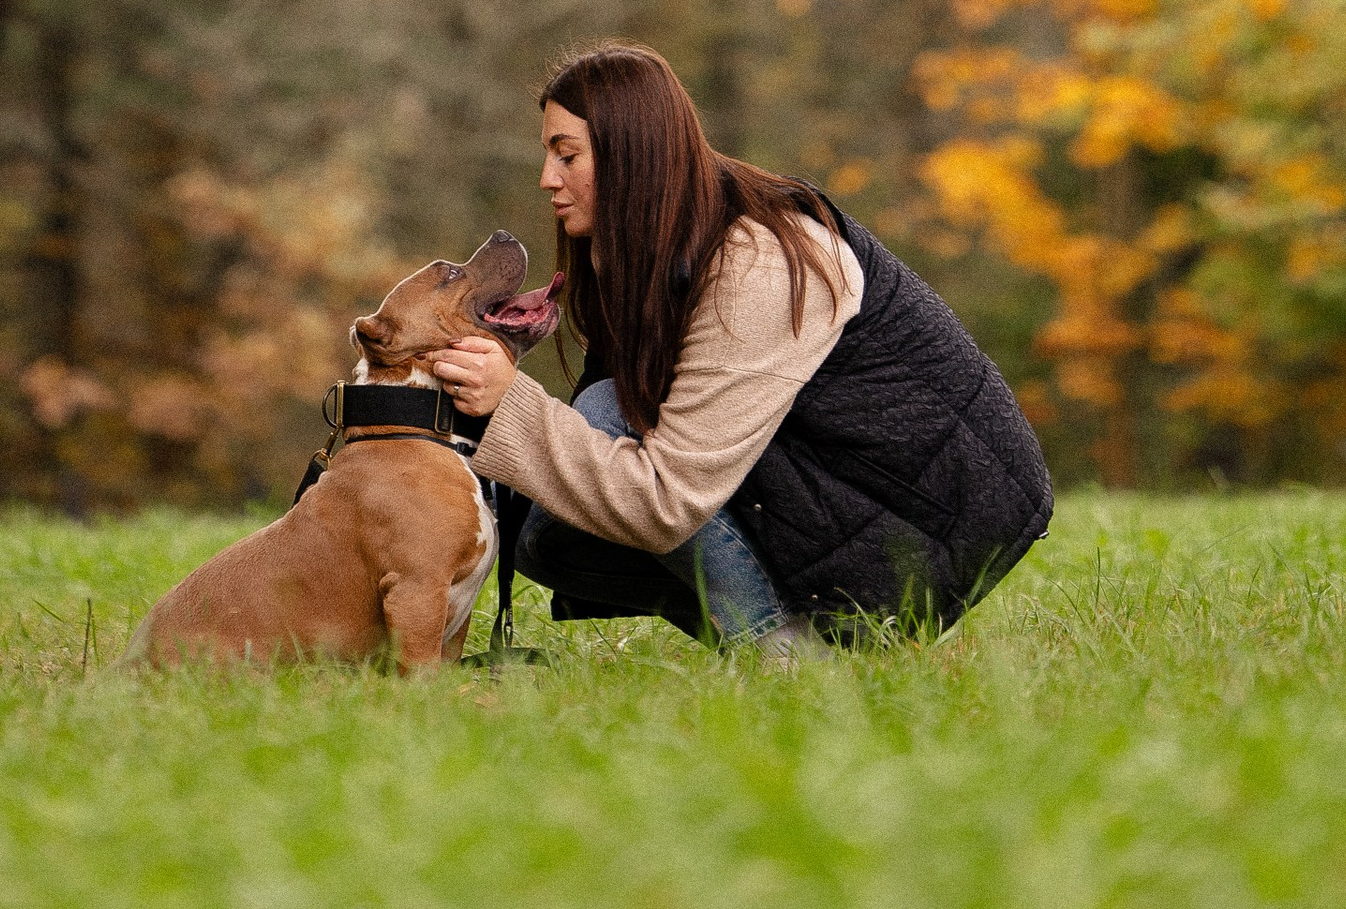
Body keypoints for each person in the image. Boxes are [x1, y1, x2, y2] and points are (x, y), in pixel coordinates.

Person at [433, 39, 1052, 651]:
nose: (547, 179)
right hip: (832, 494)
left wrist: (512, 402)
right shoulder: (645, 250)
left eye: (567, 156)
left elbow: (665, 500)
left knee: (601, 419)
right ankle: (766, 635)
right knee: (548, 531)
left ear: (632, 155)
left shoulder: (757, 262)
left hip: (922, 517)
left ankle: (786, 656)